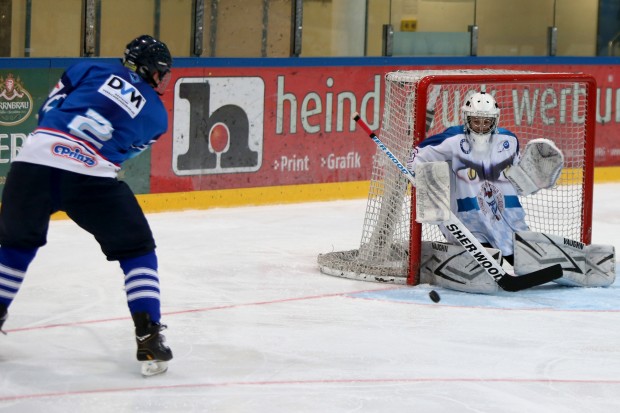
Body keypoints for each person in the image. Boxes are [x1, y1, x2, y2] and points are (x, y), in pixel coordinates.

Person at [0, 34, 173, 376]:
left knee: (15, 246)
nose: (163, 79)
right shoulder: (157, 114)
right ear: (152, 70)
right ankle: (149, 336)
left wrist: (53, 145)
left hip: (33, 162)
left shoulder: (88, 68)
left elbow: (47, 109)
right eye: (162, 72)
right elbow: (123, 152)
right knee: (137, 249)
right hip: (88, 174)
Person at [407, 91, 615, 293]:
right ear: (466, 118)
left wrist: (534, 180)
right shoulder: (452, 140)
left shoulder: (509, 141)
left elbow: (515, 180)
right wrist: (426, 180)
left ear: (495, 120)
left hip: (506, 217)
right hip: (467, 219)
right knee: (483, 269)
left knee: (526, 260)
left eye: (486, 121)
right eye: (475, 121)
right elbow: (416, 157)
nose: (480, 127)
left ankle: (586, 261)